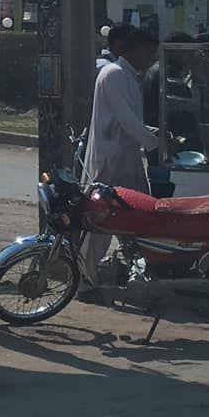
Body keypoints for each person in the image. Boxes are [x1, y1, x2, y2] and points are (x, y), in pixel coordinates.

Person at [79, 22, 165, 294]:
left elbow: (132, 121)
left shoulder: (128, 76)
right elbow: (127, 121)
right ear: (134, 49)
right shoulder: (114, 74)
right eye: (148, 53)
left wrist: (157, 134)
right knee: (100, 223)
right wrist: (156, 143)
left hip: (127, 160)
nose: (150, 59)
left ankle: (139, 273)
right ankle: (84, 281)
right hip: (111, 161)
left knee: (140, 219)